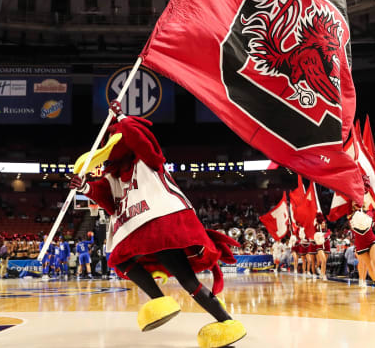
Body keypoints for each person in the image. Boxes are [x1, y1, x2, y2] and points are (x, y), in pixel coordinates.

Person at [70, 101, 245, 348]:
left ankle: (226, 323)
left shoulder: (146, 161)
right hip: (140, 227)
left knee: (186, 281)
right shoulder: (112, 177)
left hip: (161, 221)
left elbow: (142, 141)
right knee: (124, 261)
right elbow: (108, 203)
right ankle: (164, 303)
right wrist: (85, 186)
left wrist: (123, 120)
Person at [313, 213, 331, 280]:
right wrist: (317, 221)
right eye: (322, 223)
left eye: (324, 223)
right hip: (320, 246)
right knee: (323, 260)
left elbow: (327, 235)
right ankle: (323, 275)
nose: (323, 224)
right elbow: (314, 229)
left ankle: (322, 273)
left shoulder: (328, 231)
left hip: (327, 247)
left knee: (324, 262)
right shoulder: (317, 229)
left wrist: (323, 236)